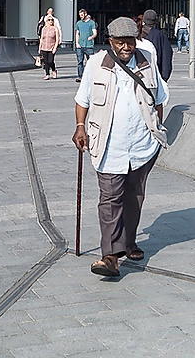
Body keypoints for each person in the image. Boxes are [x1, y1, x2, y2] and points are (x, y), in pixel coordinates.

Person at [72, 17, 169, 277]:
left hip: (141, 146)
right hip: (108, 145)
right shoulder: (96, 64)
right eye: (121, 42)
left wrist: (156, 127)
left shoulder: (148, 62)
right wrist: (80, 127)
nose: (127, 47)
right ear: (111, 41)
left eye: (131, 42)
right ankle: (110, 257)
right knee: (110, 198)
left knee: (134, 197)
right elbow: (82, 100)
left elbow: (159, 99)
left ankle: (129, 241)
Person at [141, 9, 173, 81]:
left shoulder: (137, 33)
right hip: (155, 75)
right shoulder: (160, 36)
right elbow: (166, 57)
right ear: (155, 21)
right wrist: (164, 78)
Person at [75, 8, 97, 82]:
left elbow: (95, 32)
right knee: (80, 61)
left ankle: (91, 76)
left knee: (90, 61)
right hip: (80, 45)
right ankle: (80, 76)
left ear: (85, 14)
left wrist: (92, 37)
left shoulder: (91, 23)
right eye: (80, 15)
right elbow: (77, 33)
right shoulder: (78, 23)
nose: (81, 17)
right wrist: (77, 43)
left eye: (82, 15)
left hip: (89, 46)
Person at [38, 15, 60, 80]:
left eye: (52, 20)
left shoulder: (55, 28)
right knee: (45, 61)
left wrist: (55, 47)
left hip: (51, 47)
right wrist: (40, 47)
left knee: (50, 61)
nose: (50, 21)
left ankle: (54, 70)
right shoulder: (44, 29)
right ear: (46, 21)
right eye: (49, 20)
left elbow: (57, 39)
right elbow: (41, 39)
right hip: (44, 47)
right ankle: (47, 74)